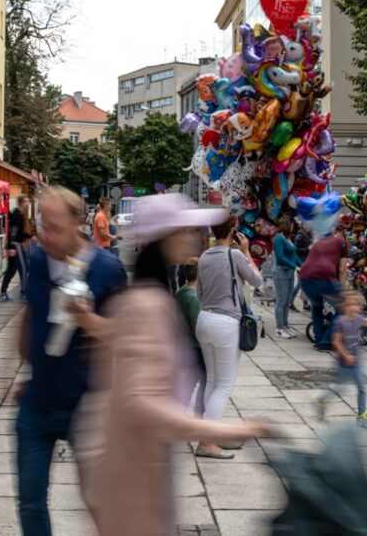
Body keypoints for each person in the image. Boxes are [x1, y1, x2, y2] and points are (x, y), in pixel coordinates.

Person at [76, 194, 268, 535]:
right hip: (130, 473)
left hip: (140, 463)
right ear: (169, 237)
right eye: (187, 229)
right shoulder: (148, 303)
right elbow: (138, 399)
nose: (195, 236)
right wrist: (222, 429)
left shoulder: (154, 296)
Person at [15, 186, 127, 536]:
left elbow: (126, 336)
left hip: (88, 404)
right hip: (38, 402)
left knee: (99, 500)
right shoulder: (37, 259)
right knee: (31, 502)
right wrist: (17, 365)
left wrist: (90, 321)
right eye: (41, 226)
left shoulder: (107, 269)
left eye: (55, 226)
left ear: (78, 223)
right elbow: (30, 311)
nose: (45, 235)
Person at [194, 214, 262, 459]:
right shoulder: (234, 255)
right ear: (233, 230)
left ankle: (210, 436)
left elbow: (200, 293)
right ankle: (206, 441)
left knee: (213, 382)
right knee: (223, 386)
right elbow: (257, 280)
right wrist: (247, 253)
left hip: (205, 319)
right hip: (225, 323)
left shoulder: (204, 257)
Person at [316, 291, 367, 430]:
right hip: (344, 364)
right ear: (343, 306)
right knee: (340, 387)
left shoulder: (358, 319)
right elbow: (336, 342)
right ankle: (323, 400)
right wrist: (346, 355)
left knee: (362, 388)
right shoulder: (340, 322)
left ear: (360, 307)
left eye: (355, 304)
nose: (353, 307)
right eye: (349, 305)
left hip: (357, 363)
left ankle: (362, 415)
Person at [299, 231, 347, 351]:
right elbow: (342, 270)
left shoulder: (319, 242)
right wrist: (344, 292)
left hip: (305, 278)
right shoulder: (342, 242)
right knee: (343, 307)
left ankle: (319, 340)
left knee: (317, 307)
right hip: (323, 277)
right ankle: (327, 341)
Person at [175, 258, 206, 417]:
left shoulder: (181, 291)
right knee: (203, 380)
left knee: (189, 380)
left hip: (185, 344)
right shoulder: (193, 297)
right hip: (196, 346)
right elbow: (197, 325)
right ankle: (198, 412)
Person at [272, 219, 300, 338]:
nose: (294, 227)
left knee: (287, 301)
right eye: (292, 225)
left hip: (289, 272)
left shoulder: (288, 238)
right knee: (281, 300)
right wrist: (295, 266)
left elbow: (294, 256)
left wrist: (303, 265)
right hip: (281, 271)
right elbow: (280, 257)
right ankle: (279, 328)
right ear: (287, 225)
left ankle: (285, 325)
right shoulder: (278, 238)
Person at [0, 195, 30, 301]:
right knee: (23, 268)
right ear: (22, 203)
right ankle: (24, 292)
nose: (28, 203)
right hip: (16, 245)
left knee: (11, 270)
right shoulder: (17, 215)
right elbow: (14, 231)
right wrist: (12, 247)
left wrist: (29, 236)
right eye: (26, 201)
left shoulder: (18, 214)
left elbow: (19, 233)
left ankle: (3, 292)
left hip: (14, 244)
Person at [291, 223, 312, 311]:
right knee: (300, 283)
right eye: (306, 225)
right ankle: (290, 301)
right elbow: (296, 250)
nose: (308, 226)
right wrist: (308, 249)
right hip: (301, 262)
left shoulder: (307, 235)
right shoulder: (299, 236)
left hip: (306, 261)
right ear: (302, 226)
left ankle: (305, 304)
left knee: (305, 283)